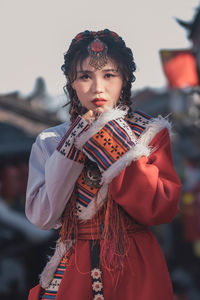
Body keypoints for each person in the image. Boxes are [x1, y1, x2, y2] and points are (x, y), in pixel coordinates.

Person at [25, 29, 182, 300]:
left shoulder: (148, 134)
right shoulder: (51, 141)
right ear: (71, 82)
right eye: (85, 76)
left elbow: (159, 209)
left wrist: (113, 140)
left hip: (135, 265)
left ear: (125, 80)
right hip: (74, 264)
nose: (98, 88)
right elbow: (42, 217)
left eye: (109, 75)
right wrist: (73, 145)